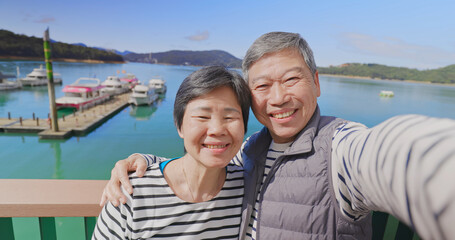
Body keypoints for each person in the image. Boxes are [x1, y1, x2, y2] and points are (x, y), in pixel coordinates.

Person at [101, 32, 455, 240]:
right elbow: (207, 155)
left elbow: (393, 154)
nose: (278, 97)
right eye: (262, 85)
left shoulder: (340, 147)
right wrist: (145, 163)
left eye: (291, 79)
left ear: (316, 83)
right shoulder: (251, 151)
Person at [93, 66, 251, 239]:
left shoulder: (247, 189)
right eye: (202, 117)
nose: (217, 130)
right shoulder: (131, 196)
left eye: (230, 118)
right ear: (179, 126)